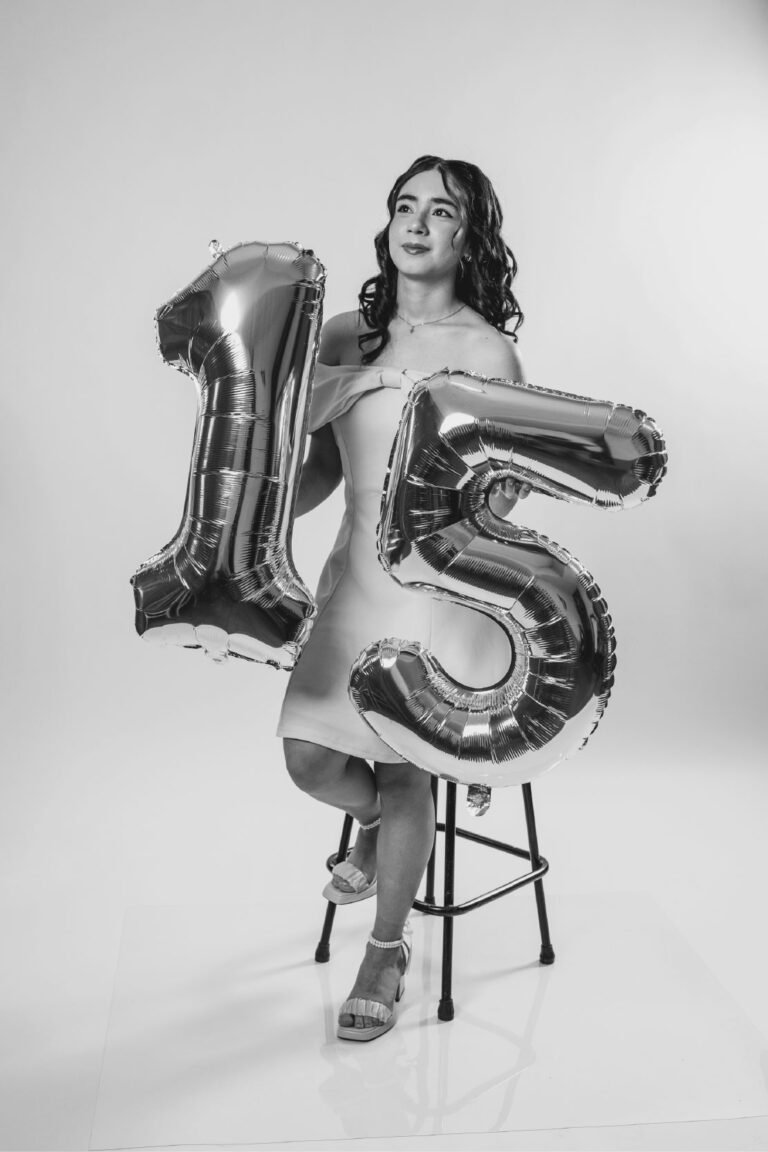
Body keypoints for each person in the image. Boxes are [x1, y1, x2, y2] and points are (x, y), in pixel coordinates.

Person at [277, 155, 529, 1041]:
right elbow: (316, 472)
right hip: (352, 582)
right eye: (405, 206)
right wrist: (252, 494)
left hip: (438, 592)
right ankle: (382, 825)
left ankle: (385, 952)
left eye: (441, 211)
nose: (417, 223)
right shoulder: (345, 335)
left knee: (403, 761)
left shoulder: (487, 351)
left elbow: (498, 497)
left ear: (469, 238)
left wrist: (487, 500)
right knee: (307, 757)